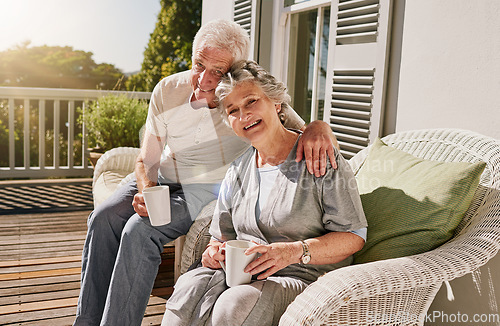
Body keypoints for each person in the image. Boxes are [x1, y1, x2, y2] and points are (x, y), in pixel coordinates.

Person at [74, 20, 339, 325]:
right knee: (103, 217)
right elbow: (147, 158)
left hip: (205, 188)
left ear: (235, 69)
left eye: (217, 71)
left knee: (139, 230)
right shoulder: (168, 89)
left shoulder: (244, 95)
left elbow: (295, 125)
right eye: (198, 64)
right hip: (162, 176)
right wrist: (147, 188)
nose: (203, 79)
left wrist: (320, 127)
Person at [161, 61, 367, 326]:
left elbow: (354, 237)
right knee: (188, 287)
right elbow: (219, 237)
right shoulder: (237, 170)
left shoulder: (319, 158)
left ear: (277, 103)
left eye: (251, 102)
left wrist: (294, 251)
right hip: (242, 275)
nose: (244, 115)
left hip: (301, 276)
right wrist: (213, 253)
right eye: (233, 110)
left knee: (233, 304)